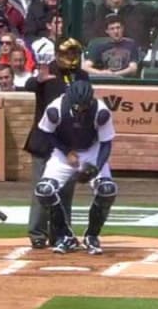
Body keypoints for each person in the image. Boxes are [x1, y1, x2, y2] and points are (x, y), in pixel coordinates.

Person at [35, 79, 117, 255]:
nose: (81, 109)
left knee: (107, 189)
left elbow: (106, 143)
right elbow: (47, 133)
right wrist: (66, 152)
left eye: (84, 105)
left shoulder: (101, 111)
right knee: (44, 190)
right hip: (63, 153)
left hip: (92, 151)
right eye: (77, 106)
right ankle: (65, 235)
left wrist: (96, 167)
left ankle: (92, 235)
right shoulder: (55, 110)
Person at [23, 37, 83, 248]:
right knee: (43, 188)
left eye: (75, 53)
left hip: (70, 142)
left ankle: (61, 232)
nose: (72, 57)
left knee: (66, 190)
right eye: (68, 53)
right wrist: (38, 81)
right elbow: (28, 86)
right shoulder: (47, 74)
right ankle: (37, 233)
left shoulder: (81, 76)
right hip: (45, 142)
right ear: (58, 54)